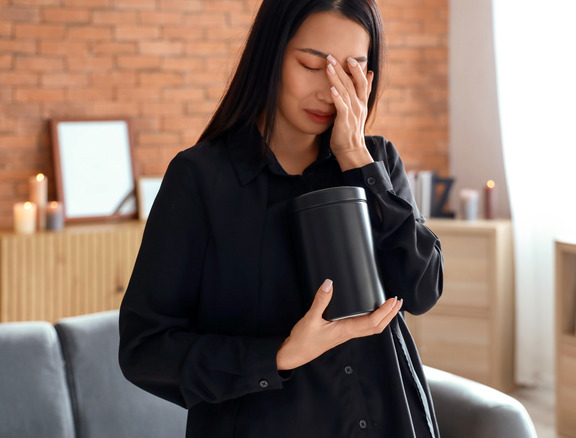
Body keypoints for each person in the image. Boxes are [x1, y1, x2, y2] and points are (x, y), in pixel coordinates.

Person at [118, 0, 444, 437]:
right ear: (270, 55)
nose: (331, 90)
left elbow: (422, 290)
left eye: (351, 71)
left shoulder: (376, 162)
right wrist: (278, 356)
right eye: (313, 65)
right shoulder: (201, 178)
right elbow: (145, 350)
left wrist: (356, 159)